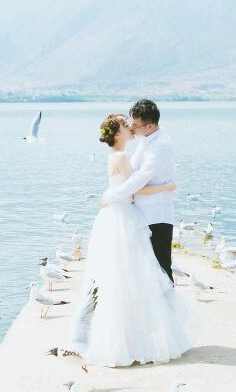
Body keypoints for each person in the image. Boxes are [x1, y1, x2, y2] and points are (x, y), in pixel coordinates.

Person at [82, 113, 197, 368]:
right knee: (136, 277)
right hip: (125, 217)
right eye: (126, 125)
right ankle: (140, 341)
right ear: (117, 133)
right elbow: (138, 187)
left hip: (117, 215)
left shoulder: (116, 155)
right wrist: (167, 187)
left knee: (123, 278)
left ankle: (126, 341)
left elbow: (129, 185)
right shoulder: (123, 156)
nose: (130, 127)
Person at [101, 99, 175, 281]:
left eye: (135, 125)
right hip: (140, 215)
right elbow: (132, 174)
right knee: (145, 272)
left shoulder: (161, 145)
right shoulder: (145, 139)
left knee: (162, 270)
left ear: (149, 126)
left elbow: (140, 179)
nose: (132, 128)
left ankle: (169, 301)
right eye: (130, 124)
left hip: (157, 216)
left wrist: (112, 195)